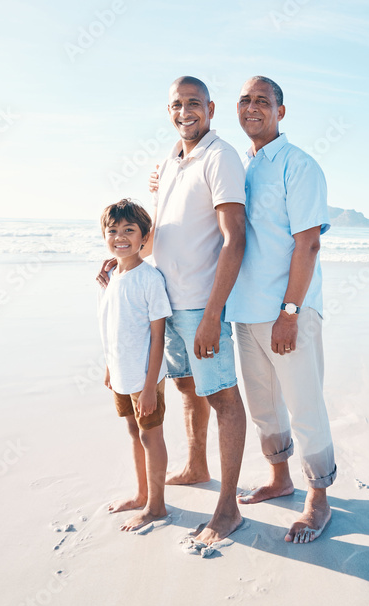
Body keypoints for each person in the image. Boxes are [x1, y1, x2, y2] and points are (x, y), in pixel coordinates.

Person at [99, 76, 248, 546]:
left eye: (194, 103)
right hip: (164, 295)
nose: (185, 111)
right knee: (185, 386)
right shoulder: (171, 158)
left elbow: (234, 237)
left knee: (222, 394)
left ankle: (228, 508)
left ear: (211, 107)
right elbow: (160, 224)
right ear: (169, 111)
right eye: (177, 105)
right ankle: (196, 465)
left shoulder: (221, 155)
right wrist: (128, 260)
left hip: (201, 302)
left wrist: (211, 314)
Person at [228, 76, 337, 543]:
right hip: (244, 311)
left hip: (288, 312)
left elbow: (308, 243)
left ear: (281, 111)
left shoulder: (299, 165)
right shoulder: (240, 167)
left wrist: (290, 311)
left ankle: (319, 498)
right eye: (245, 100)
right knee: (264, 407)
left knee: (305, 405)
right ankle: (280, 478)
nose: (253, 107)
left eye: (263, 101)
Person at [98, 199, 172, 533]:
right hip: (122, 373)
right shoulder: (113, 275)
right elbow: (113, 325)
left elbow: (158, 337)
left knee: (150, 435)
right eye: (113, 231)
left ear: (145, 237)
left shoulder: (149, 278)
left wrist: (149, 386)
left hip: (145, 377)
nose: (120, 237)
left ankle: (157, 506)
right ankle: (142, 493)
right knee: (133, 432)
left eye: (129, 230)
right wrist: (110, 367)